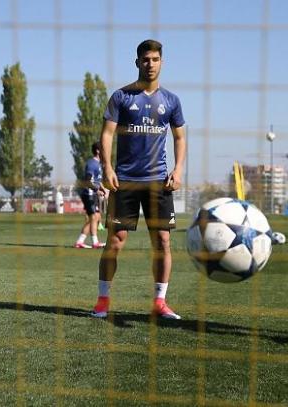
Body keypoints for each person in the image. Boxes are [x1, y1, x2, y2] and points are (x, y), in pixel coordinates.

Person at [92, 39, 186, 320]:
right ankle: (103, 299)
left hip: (159, 180)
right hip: (126, 181)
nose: (150, 64)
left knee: (162, 241)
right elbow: (107, 134)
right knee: (116, 240)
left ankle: (160, 302)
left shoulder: (171, 101)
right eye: (145, 59)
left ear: (161, 62)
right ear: (137, 63)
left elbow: (180, 137)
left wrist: (179, 170)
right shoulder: (121, 97)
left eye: (155, 59)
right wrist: (107, 168)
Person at [74, 142, 107, 249]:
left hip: (93, 194)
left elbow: (97, 180)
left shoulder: (99, 164)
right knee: (93, 217)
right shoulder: (92, 164)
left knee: (96, 217)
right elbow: (87, 181)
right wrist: (97, 190)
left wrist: (102, 188)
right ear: (98, 151)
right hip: (88, 194)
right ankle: (95, 242)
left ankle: (80, 241)